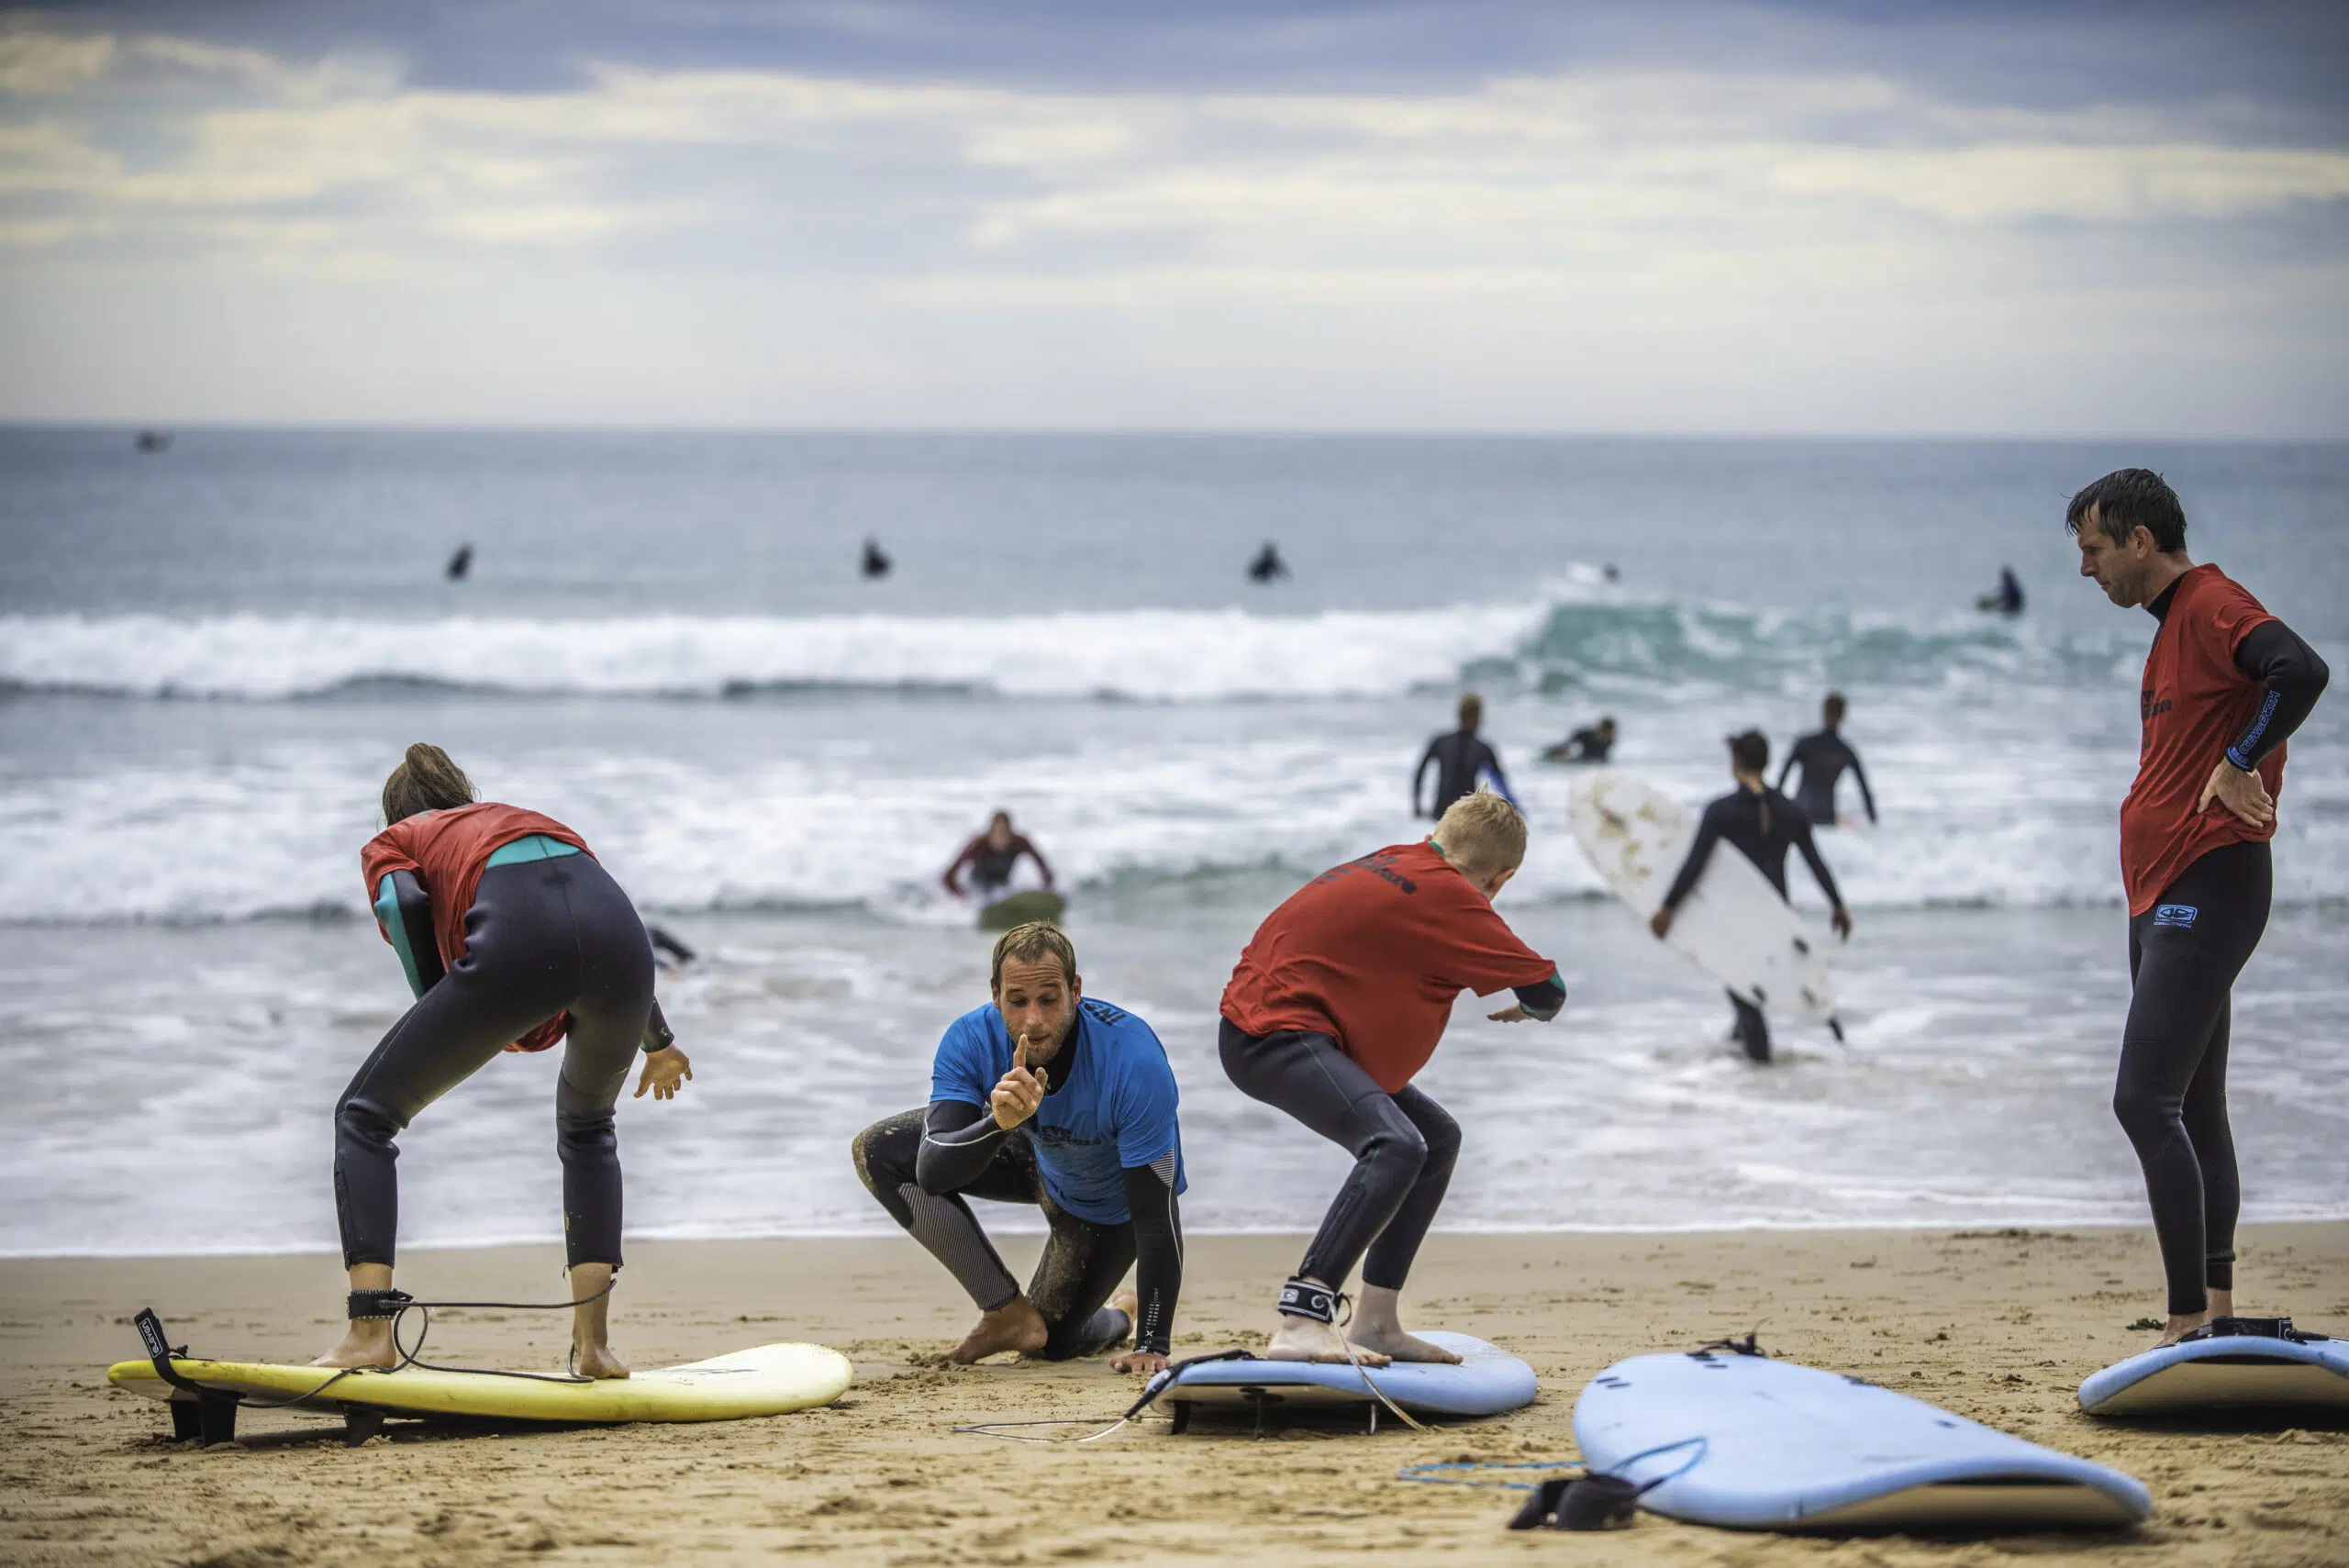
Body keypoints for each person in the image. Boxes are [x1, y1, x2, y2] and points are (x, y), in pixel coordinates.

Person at [317, 744, 693, 1375]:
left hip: (524, 940)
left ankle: (368, 1330)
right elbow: (585, 912)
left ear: (395, 814)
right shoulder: (523, 819)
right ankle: (593, 1346)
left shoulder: (398, 838)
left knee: (364, 1117)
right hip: (625, 944)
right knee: (589, 1128)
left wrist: (435, 1003)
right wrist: (658, 1041)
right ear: (462, 793)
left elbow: (402, 904)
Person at [2066, 468, 2327, 1348]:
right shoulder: (2174, 625)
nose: (2086, 569)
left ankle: (2183, 1324)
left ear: (2142, 541)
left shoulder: (2212, 604)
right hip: (2164, 891)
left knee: (2144, 1101)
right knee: (2196, 1105)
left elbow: (2302, 669)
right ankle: (2216, 1314)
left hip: (2206, 882)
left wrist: (2243, 757)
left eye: (2095, 550)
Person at [1219, 792, 1564, 1365]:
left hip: (1278, 1027)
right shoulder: (1456, 898)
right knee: (1395, 1144)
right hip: (1275, 1035)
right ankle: (1302, 1319)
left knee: (1435, 1139)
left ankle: (1376, 1321)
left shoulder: (1395, 858)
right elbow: (1549, 991)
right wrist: (1531, 1010)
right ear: (1500, 878)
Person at [849, 922, 1184, 1373]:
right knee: (879, 1152)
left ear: (1075, 990)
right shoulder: (969, 1040)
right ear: (995, 995)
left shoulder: (1133, 1061)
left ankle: (1121, 1315)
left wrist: (1152, 1342)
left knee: (1052, 1344)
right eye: (1017, 1000)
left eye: (1049, 999)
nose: (1034, 1020)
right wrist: (998, 1124)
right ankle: (1002, 1308)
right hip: (1029, 1152)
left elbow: (1157, 1211)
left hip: (1104, 1202)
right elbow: (932, 1172)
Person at [1651, 730, 1852, 1064]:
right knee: (1753, 989)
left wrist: (1669, 907)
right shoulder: (1791, 811)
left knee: (1745, 992)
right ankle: (1741, 1054)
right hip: (1777, 916)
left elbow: (1696, 863)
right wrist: (1838, 905)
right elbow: (1815, 862)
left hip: (1737, 918)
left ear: (1737, 763)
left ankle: (1761, 1073)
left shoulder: (1721, 811)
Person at [1777, 694, 1877, 828]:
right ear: (1842, 716)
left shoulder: (1805, 744)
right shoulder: (1845, 752)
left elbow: (1781, 780)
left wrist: (1774, 813)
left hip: (1801, 812)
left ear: (1824, 712)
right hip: (1827, 817)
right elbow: (1865, 793)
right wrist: (1875, 826)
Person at [1414, 694, 1519, 817]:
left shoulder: (1441, 742)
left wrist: (1417, 803)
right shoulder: (1482, 748)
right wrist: (1515, 810)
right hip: (1468, 813)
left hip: (1442, 811)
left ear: (1459, 714)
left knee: (1438, 837)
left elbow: (1420, 772)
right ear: (1478, 716)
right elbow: (1500, 783)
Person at [942, 812, 1055, 904]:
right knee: (986, 894)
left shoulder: (1020, 842)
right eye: (997, 833)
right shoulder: (978, 844)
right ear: (991, 832)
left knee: (1003, 893)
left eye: (1005, 833)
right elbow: (948, 876)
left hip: (1003, 883)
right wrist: (962, 896)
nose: (1001, 838)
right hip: (979, 884)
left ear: (1010, 833)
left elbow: (1044, 867)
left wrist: (1046, 890)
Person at [1543, 717, 1616, 763]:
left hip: (1597, 763)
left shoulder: (1610, 740)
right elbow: (1568, 744)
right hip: (1583, 761)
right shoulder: (1585, 734)